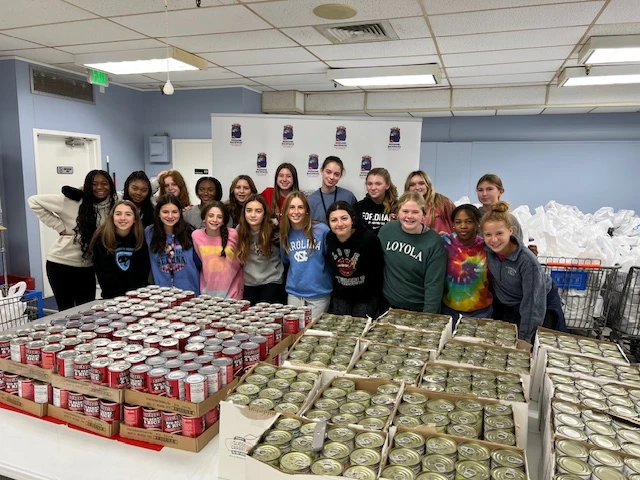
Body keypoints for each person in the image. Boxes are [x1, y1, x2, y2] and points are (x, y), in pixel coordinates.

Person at [28, 170, 116, 310]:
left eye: (104, 183)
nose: (100, 187)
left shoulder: (113, 204)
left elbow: (136, 194)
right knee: (66, 311)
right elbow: (34, 201)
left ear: (111, 186)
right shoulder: (72, 201)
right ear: (87, 185)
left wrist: (159, 180)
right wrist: (60, 227)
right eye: (94, 184)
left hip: (87, 266)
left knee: (86, 310)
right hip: (61, 264)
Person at [481, 201, 566, 343]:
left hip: (538, 304)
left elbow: (533, 304)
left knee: (537, 345)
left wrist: (525, 339)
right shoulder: (488, 251)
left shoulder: (527, 261)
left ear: (510, 230)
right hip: (511, 303)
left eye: (499, 233)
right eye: (488, 234)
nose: (494, 240)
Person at [378, 191, 447, 314]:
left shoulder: (434, 242)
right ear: (398, 212)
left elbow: (434, 285)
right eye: (405, 211)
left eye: (415, 212)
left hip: (418, 309)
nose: (409, 216)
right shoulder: (386, 231)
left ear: (423, 215)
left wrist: (428, 316)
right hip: (387, 305)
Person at [325, 201, 384, 318]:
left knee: (360, 329)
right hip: (341, 295)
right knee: (341, 330)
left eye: (344, 218)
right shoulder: (330, 238)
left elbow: (379, 270)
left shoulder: (369, 239)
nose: (340, 224)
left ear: (352, 219)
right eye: (334, 220)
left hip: (366, 297)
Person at [280, 192, 332, 319]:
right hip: (294, 293)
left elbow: (330, 258)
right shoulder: (285, 234)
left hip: (318, 293)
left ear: (307, 210)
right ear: (286, 211)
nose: (296, 212)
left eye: (300, 207)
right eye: (292, 207)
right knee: (294, 334)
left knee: (312, 334)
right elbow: (286, 260)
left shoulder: (321, 230)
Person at [441, 204, 493, 320]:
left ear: (478, 224)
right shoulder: (445, 243)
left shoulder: (487, 247)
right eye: (458, 222)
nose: (463, 226)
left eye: (469, 222)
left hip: (481, 312)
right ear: (453, 224)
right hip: (449, 311)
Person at [91, 200, 150, 299]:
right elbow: (104, 275)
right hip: (111, 296)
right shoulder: (101, 238)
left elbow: (141, 273)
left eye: (128, 214)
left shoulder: (140, 237)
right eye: (118, 214)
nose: (123, 218)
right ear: (112, 217)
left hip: (136, 296)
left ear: (135, 218)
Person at [145, 194, 200, 293]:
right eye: (165, 212)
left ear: (180, 212)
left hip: (189, 292)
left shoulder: (191, 233)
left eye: (174, 212)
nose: (170, 216)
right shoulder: (149, 233)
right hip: (161, 294)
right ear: (158, 213)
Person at [236, 194, 285, 304]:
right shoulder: (239, 230)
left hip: (272, 280)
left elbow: (285, 255)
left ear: (264, 214)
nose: (253, 215)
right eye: (249, 211)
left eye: (258, 211)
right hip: (249, 282)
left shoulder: (274, 230)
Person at [63, 171, 155, 228]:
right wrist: (84, 190)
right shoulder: (117, 199)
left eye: (144, 190)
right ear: (127, 187)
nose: (138, 193)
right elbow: (98, 193)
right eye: (134, 189)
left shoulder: (152, 205)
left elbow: (154, 187)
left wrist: (160, 178)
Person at [192, 202, 243, 299]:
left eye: (219, 217)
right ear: (204, 218)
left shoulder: (233, 234)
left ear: (224, 221)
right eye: (211, 216)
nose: (215, 220)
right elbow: (201, 260)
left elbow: (240, 260)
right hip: (207, 293)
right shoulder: (196, 236)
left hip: (233, 293)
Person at [308, 156, 357, 224]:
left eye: (336, 174)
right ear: (322, 170)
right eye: (328, 172)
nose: (331, 177)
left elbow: (355, 224)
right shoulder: (311, 200)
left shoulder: (348, 197)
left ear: (340, 176)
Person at [476, 174, 524, 242]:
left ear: (501, 191)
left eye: (489, 189)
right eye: (480, 190)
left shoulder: (510, 219)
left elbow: (518, 248)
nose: (484, 194)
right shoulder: (473, 216)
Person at [354, 167, 398, 233]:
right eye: (370, 184)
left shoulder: (396, 207)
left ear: (387, 185)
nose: (373, 188)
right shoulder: (359, 207)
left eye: (378, 184)